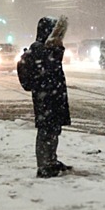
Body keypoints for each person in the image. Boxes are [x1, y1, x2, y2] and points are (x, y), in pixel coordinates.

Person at [29, 15, 72, 178]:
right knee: (46, 131)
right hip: (45, 98)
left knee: (54, 130)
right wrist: (56, 48)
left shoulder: (46, 47)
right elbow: (48, 68)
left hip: (52, 96)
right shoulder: (39, 48)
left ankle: (51, 160)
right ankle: (43, 165)